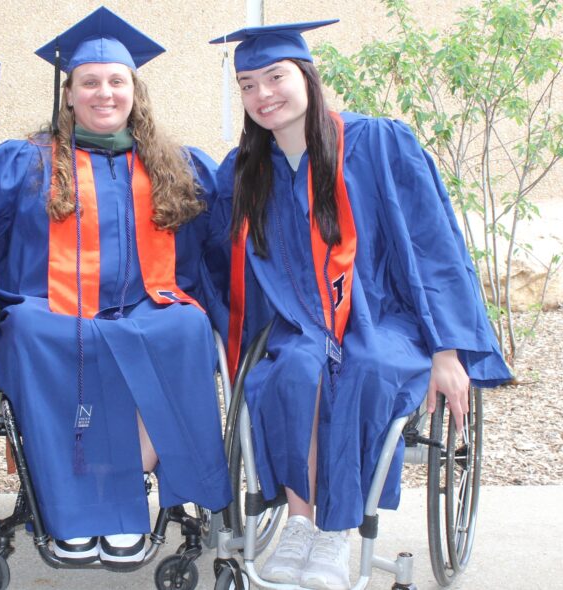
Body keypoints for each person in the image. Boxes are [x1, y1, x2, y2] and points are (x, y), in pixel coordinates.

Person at [210, 20, 512, 590]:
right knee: (296, 368)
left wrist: (447, 351)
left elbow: (432, 246)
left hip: (387, 319)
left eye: (275, 76)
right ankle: (300, 523)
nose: (262, 95)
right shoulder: (245, 171)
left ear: (307, 76)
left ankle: (334, 534)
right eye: (247, 84)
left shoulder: (378, 142)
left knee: (365, 367)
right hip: (299, 323)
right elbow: (206, 247)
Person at [0, 6, 231, 566]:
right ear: (70, 94)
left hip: (147, 306)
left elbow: (221, 247)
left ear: (134, 90)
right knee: (27, 330)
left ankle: (123, 487)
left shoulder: (177, 165)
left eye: (116, 81)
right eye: (90, 82)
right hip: (52, 310)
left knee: (189, 324)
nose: (104, 93)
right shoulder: (24, 162)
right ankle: (76, 510)